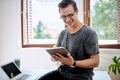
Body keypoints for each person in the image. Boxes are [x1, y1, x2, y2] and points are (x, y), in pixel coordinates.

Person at [38, 0, 99, 80]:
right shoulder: (63, 33)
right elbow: (57, 54)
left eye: (70, 15)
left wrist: (73, 63)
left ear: (76, 11)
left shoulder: (89, 33)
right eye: (63, 16)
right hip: (62, 73)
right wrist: (54, 58)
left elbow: (95, 61)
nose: (67, 20)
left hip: (81, 77)